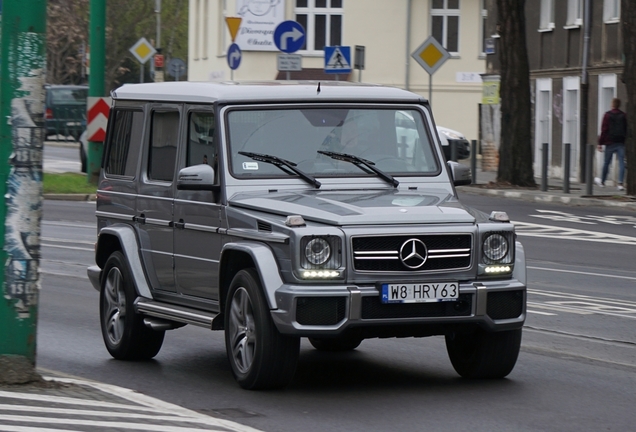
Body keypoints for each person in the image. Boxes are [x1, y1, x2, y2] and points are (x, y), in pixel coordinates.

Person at [596, 97, 627, 190]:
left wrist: (600, 143)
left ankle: (602, 181)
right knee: (622, 163)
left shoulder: (607, 115)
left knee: (606, 162)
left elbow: (604, 129)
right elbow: (626, 129)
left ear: (612, 105)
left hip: (610, 142)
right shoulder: (623, 115)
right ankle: (620, 183)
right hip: (620, 142)